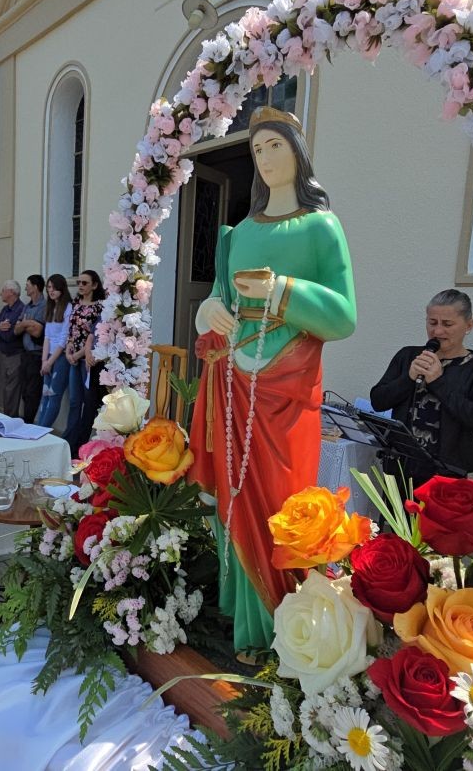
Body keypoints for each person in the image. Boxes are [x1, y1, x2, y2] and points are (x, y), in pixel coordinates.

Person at [188, 107, 357, 652]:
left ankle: (286, 625)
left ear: (298, 153)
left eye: (275, 146)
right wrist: (208, 311)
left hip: (289, 390)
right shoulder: (236, 234)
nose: (264, 159)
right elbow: (216, 295)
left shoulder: (319, 226)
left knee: (283, 502)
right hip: (234, 382)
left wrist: (282, 290)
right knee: (233, 503)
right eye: (257, 150)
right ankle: (240, 618)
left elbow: (344, 316)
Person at [369, 290, 473, 488]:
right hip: (400, 467)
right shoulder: (407, 356)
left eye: (447, 324)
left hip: (447, 473)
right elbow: (378, 401)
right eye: (432, 322)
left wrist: (438, 382)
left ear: (469, 325)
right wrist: (408, 378)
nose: (437, 332)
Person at [61, 270, 105, 455]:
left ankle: (82, 445)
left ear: (94, 285)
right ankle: (69, 443)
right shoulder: (76, 304)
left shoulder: (99, 307)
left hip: (87, 359)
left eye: (84, 283)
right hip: (74, 357)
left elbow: (94, 335)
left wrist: (78, 354)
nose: (80, 285)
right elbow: (72, 330)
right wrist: (69, 349)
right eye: (79, 282)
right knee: (74, 402)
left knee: (88, 403)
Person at [36, 274, 73, 428]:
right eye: (49, 287)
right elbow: (47, 336)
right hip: (49, 357)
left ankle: (43, 430)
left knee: (53, 394)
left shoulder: (68, 307)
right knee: (45, 394)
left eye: (54, 287)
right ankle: (38, 428)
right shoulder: (51, 308)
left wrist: (50, 362)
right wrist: (44, 361)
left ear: (61, 288)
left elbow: (63, 339)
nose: (51, 291)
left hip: (60, 357)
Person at [0, 280, 27, 416]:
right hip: (3, 353)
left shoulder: (21, 309)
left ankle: (11, 420)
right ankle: (3, 418)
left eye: (3, 290)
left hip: (15, 355)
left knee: (12, 391)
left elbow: (10, 335)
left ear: (11, 292)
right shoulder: (5, 309)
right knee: (1, 390)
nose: (1, 293)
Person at [17, 274, 47, 423]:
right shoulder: (27, 306)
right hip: (26, 354)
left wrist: (24, 324)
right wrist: (27, 324)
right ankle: (26, 421)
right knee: (24, 391)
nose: (25, 288)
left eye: (27, 285)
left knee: (33, 392)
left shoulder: (44, 306)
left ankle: (29, 422)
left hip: (37, 355)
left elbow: (38, 331)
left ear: (35, 287)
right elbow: (16, 329)